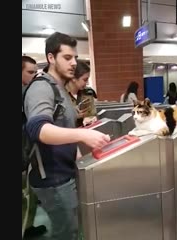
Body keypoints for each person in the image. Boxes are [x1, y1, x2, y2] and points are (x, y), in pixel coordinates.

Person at [23, 32, 110, 240]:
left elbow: (62, 124)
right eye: (67, 58)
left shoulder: (59, 88)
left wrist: (78, 153)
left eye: (75, 58)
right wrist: (82, 134)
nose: (73, 63)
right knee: (66, 232)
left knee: (71, 229)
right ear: (51, 58)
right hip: (52, 179)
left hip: (64, 172)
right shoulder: (42, 87)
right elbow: (39, 129)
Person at [21, 55, 47, 239]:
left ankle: (28, 227)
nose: (34, 76)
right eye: (30, 72)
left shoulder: (28, 94)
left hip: (28, 156)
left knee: (29, 196)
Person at [65, 60, 97, 127]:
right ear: (73, 78)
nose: (87, 83)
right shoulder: (61, 95)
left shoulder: (87, 93)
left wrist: (90, 119)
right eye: (85, 80)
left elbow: (92, 114)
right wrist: (73, 115)